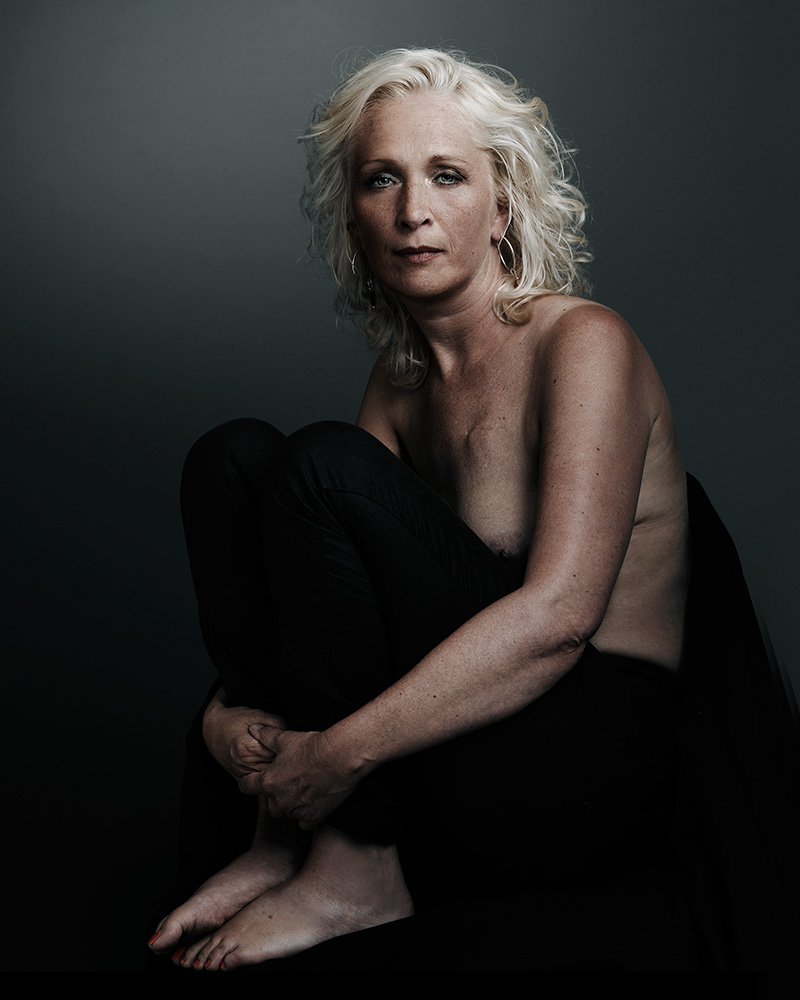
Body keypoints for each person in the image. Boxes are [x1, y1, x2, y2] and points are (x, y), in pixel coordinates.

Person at [147, 49, 799, 973]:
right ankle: (284, 847)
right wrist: (227, 717)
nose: (412, 210)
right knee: (234, 460)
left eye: (447, 175)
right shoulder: (400, 382)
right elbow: (329, 603)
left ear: (502, 208)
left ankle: (354, 872)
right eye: (383, 179)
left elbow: (560, 618)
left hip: (588, 773)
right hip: (462, 753)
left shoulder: (583, 343)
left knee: (320, 466)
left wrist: (336, 757)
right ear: (354, 217)